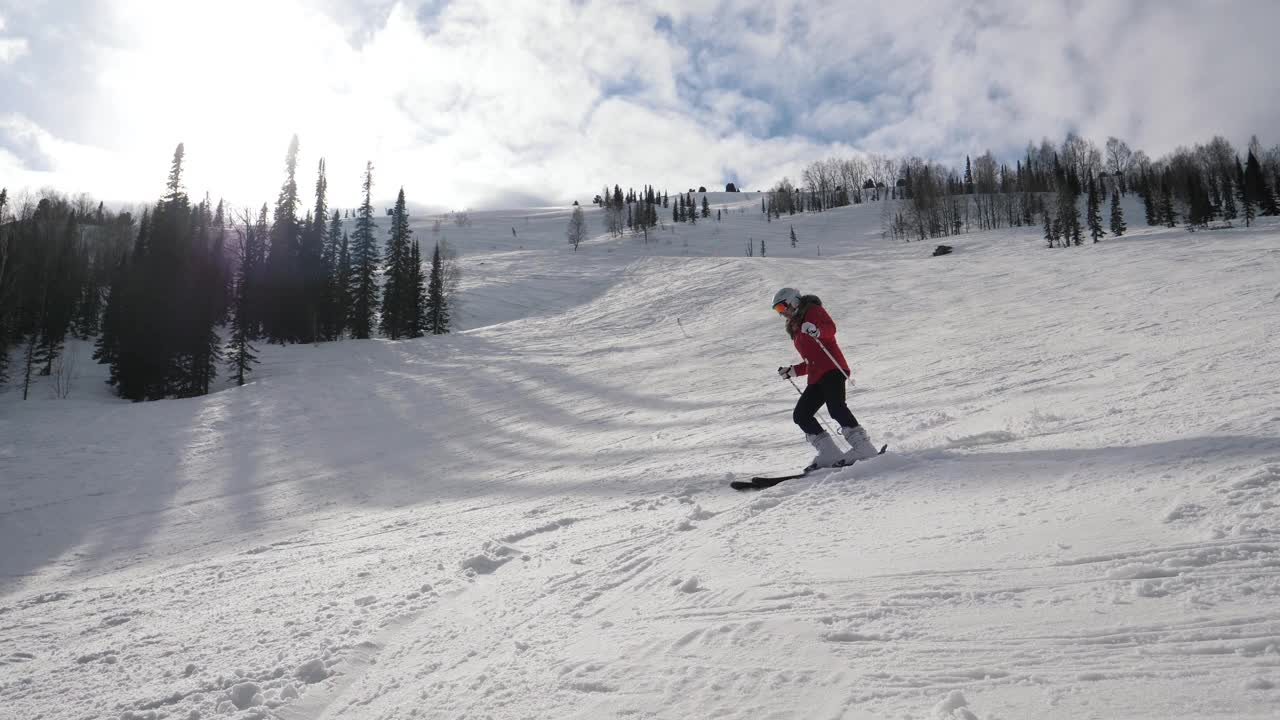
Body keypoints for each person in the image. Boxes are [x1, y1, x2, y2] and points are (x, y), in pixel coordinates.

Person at [772, 287, 879, 469]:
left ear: (794, 301)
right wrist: (793, 371)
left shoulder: (813, 310)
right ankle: (829, 453)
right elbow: (812, 360)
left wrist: (817, 331)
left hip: (833, 369)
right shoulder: (797, 329)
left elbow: (830, 329)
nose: (782, 314)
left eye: (782, 308)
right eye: (778, 311)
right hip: (817, 376)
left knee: (836, 408)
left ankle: (864, 448)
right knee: (801, 415)